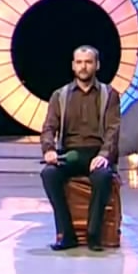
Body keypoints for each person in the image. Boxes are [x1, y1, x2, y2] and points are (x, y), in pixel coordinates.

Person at [39, 45, 121, 252]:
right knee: (49, 174)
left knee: (102, 176)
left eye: (88, 62)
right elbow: (48, 127)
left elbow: (113, 129)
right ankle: (66, 234)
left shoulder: (109, 94)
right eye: (79, 62)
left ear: (97, 65)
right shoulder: (60, 95)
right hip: (70, 154)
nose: (84, 67)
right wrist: (49, 149)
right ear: (73, 66)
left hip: (97, 153)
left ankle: (94, 234)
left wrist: (104, 155)